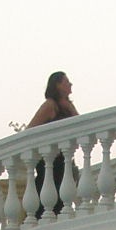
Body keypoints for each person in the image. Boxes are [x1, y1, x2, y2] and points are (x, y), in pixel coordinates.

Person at [28, 72, 78, 214]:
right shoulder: (50, 105)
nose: (70, 84)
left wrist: (69, 107)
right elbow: (30, 129)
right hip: (49, 159)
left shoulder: (67, 106)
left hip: (63, 157)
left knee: (61, 196)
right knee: (49, 197)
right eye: (66, 81)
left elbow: (79, 125)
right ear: (57, 85)